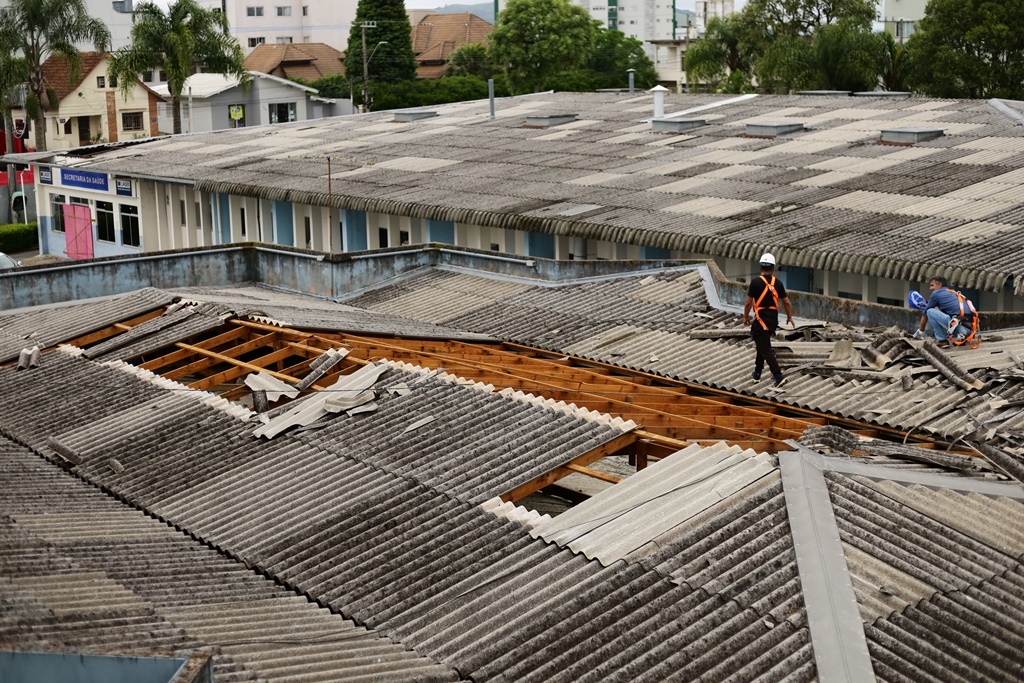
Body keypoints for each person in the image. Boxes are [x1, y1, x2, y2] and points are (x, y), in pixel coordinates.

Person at [743, 252, 794, 388]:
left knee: (765, 348)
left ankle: (778, 376)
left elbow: (748, 303)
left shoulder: (755, 282)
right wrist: (789, 317)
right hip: (773, 319)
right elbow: (787, 302)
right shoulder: (778, 283)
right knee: (762, 344)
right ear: (772, 268)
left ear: (761, 267)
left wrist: (746, 317)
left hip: (760, 319)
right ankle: (757, 373)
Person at [913, 276, 977, 348]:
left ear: (939, 285)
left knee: (930, 311)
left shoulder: (936, 294)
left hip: (961, 329)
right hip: (970, 331)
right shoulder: (953, 293)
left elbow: (925, 314)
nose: (930, 288)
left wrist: (920, 331)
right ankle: (961, 337)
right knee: (937, 312)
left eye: (932, 285)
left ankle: (942, 340)